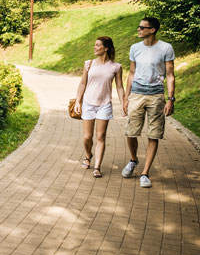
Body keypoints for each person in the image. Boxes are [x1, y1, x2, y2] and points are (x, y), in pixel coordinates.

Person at [121, 17, 175, 188]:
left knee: (153, 134)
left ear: (152, 30)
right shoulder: (135, 48)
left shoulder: (166, 48)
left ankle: (145, 173)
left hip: (156, 96)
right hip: (136, 95)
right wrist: (126, 97)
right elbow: (131, 73)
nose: (138, 30)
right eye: (139, 27)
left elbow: (170, 75)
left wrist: (171, 99)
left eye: (142, 27)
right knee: (131, 132)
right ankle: (133, 159)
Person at [73, 36, 126, 177]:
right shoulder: (89, 64)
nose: (94, 47)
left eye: (98, 45)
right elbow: (82, 83)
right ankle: (87, 154)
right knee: (87, 137)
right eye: (95, 45)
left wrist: (123, 103)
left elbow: (120, 87)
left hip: (105, 105)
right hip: (88, 104)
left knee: (101, 136)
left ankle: (97, 167)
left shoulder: (116, 67)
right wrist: (78, 101)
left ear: (106, 48)